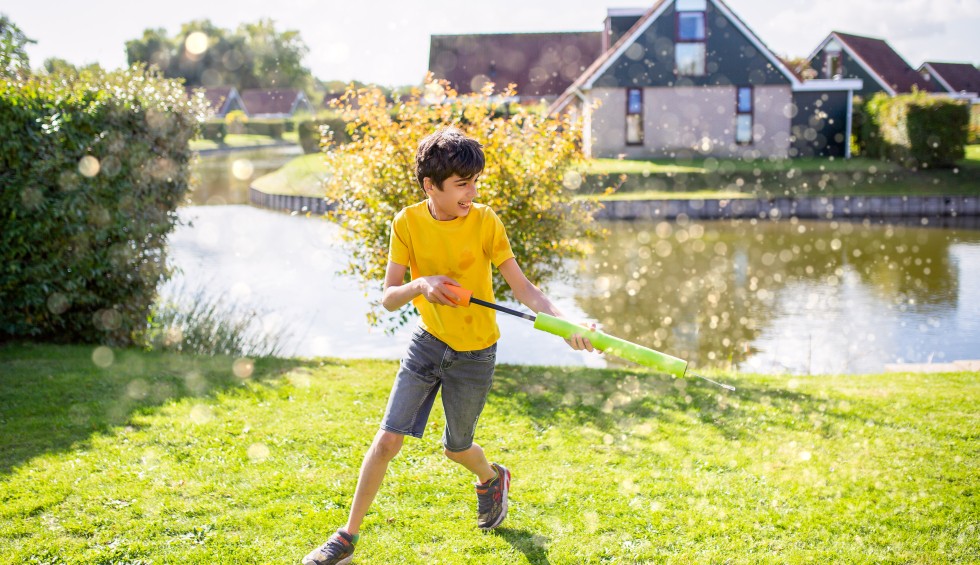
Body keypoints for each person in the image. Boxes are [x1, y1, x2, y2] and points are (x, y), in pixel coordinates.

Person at [303, 126, 594, 565]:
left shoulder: (485, 221)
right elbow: (389, 297)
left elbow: (524, 290)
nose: (472, 193)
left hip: (476, 353)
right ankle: (346, 538)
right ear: (430, 186)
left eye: (475, 182)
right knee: (387, 441)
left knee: (456, 448)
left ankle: (491, 478)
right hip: (428, 343)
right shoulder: (406, 222)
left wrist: (566, 324)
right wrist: (421, 284)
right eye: (462, 184)